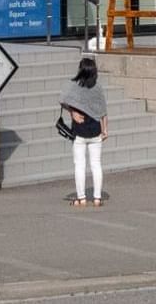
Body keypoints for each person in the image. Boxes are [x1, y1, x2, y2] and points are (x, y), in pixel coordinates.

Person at [59, 55, 108, 206]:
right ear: (94, 71)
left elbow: (62, 100)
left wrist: (72, 113)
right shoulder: (98, 87)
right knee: (96, 164)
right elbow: (103, 111)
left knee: (79, 165)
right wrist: (105, 129)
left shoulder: (74, 85)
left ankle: (81, 198)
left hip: (79, 131)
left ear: (81, 70)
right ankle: (98, 198)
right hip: (95, 130)